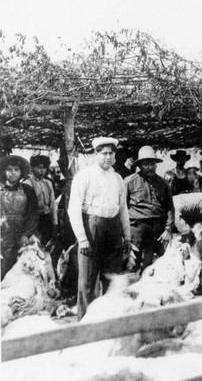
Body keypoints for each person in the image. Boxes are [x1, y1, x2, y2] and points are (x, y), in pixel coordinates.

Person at [68, 137, 132, 319]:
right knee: (88, 280)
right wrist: (82, 239)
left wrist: (126, 236)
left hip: (113, 229)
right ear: (96, 154)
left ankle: (108, 320)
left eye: (111, 153)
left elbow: (123, 209)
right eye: (104, 153)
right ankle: (85, 323)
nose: (108, 157)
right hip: (92, 227)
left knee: (112, 277)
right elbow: (73, 209)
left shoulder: (118, 178)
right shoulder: (84, 176)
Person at [125, 146, 175, 271]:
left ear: (156, 165)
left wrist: (168, 229)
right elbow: (122, 208)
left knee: (161, 263)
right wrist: (125, 235)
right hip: (137, 229)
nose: (150, 167)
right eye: (146, 164)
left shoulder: (163, 183)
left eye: (152, 164)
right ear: (140, 166)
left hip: (158, 229)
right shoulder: (129, 182)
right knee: (133, 263)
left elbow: (170, 207)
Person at [0, 155, 39, 279]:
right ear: (4, 171)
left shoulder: (27, 190)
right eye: (9, 169)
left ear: (21, 172)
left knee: (19, 269)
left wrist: (26, 234)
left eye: (16, 169)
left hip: (21, 236)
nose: (13, 173)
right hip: (2, 236)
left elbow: (33, 214)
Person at [24, 154, 58, 246]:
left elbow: (52, 204)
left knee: (47, 245)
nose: (42, 170)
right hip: (34, 220)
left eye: (44, 167)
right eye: (38, 167)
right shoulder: (27, 183)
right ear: (32, 168)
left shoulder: (48, 183)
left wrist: (55, 222)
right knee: (35, 245)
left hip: (46, 219)